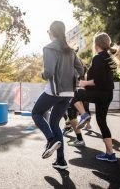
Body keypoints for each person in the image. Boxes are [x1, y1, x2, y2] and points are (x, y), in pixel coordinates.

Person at [31, 21, 83, 170]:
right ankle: (61, 161)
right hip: (69, 93)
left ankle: (51, 139)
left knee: (36, 113)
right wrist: (72, 79)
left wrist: (42, 74)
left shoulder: (49, 48)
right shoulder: (71, 50)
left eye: (48, 31)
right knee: (54, 123)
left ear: (52, 32)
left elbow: (48, 73)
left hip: (55, 91)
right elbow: (80, 69)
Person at [71, 32, 120, 162]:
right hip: (107, 94)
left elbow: (97, 81)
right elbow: (102, 80)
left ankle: (84, 115)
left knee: (74, 95)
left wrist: (84, 83)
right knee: (102, 122)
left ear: (96, 44)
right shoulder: (108, 57)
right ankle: (110, 153)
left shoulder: (98, 58)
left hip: (100, 93)